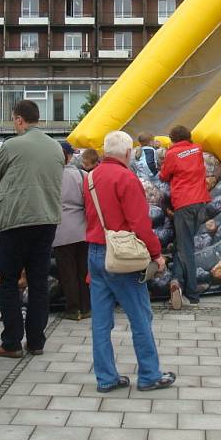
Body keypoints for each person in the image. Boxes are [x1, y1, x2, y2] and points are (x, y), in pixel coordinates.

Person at [84, 130, 175, 392]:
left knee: (101, 322)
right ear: (127, 153)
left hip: (95, 252)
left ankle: (106, 378)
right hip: (122, 257)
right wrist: (156, 254)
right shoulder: (127, 178)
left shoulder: (90, 177)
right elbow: (140, 224)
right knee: (140, 316)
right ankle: (149, 375)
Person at [0, 100, 63, 358]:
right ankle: (36, 341)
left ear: (19, 119)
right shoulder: (55, 146)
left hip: (16, 221)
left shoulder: (12, 145)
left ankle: (11, 342)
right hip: (47, 221)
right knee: (38, 282)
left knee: (7, 280)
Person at [160, 125, 211, 310]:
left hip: (184, 204)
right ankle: (176, 282)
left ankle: (191, 293)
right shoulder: (197, 150)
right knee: (184, 246)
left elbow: (164, 175)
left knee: (185, 249)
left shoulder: (172, 154)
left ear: (172, 139)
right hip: (201, 203)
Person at [52, 141, 90, 321]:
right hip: (82, 228)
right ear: (68, 156)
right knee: (83, 270)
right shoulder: (83, 175)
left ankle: (73, 309)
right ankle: (86, 306)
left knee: (67, 272)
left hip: (60, 229)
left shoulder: (50, 176)